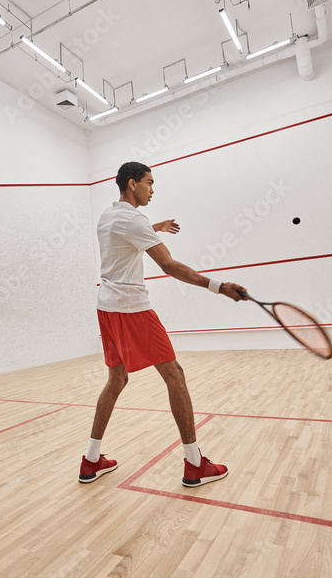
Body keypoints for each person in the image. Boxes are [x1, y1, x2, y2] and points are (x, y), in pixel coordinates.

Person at [80, 161, 247, 487]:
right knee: (175, 376)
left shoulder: (107, 216)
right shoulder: (134, 219)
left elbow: (125, 234)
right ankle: (195, 464)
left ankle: (91, 459)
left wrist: (154, 226)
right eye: (149, 183)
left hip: (107, 308)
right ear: (132, 184)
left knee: (116, 380)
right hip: (133, 310)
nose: (152, 190)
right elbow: (168, 265)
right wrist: (218, 286)